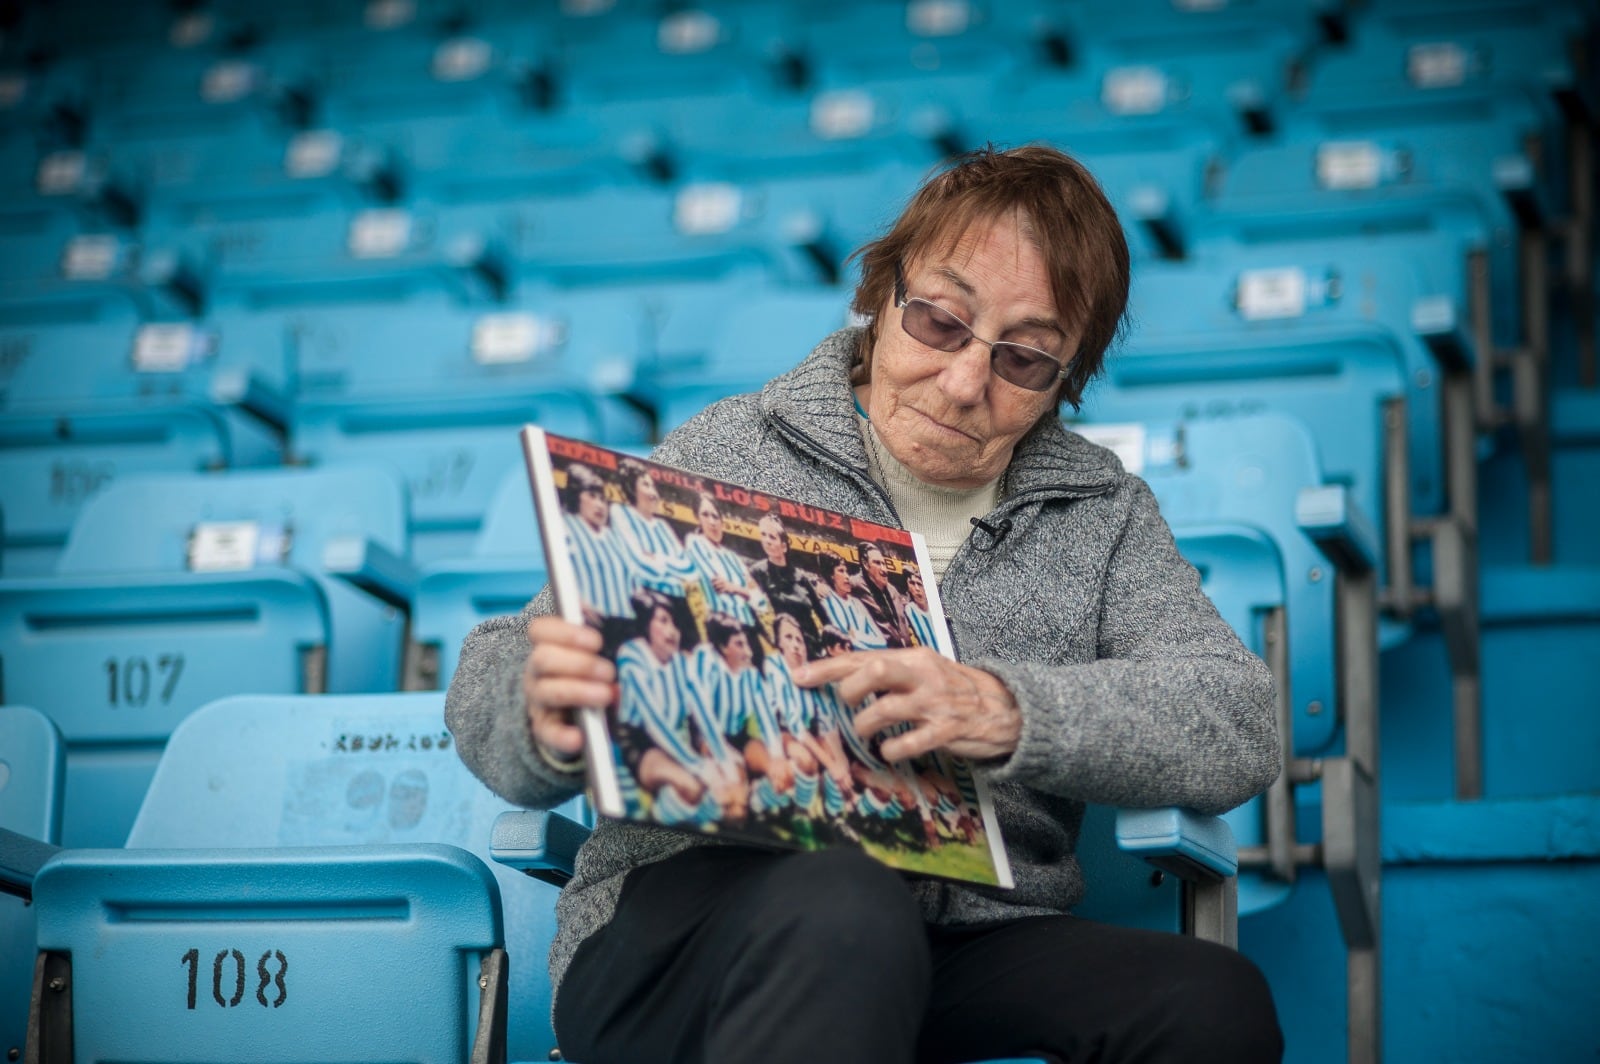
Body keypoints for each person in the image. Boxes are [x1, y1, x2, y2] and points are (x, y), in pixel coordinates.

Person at [447, 144, 1283, 1063]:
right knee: (847, 903)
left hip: (966, 938)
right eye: (939, 322)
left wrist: (1008, 710)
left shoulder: (1102, 512)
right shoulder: (732, 446)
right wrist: (539, 712)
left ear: (1066, 381)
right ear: (882, 298)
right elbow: (498, 660)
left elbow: (1238, 718)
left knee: (1212, 1001)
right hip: (695, 928)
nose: (964, 384)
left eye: (1024, 360)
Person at [612, 590, 747, 825]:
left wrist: (723, 759)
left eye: (674, 623)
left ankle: (712, 820)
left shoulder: (681, 662)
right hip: (639, 741)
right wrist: (698, 766)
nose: (672, 630)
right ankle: (662, 823)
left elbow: (703, 714)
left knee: (734, 771)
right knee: (690, 785)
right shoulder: (632, 655)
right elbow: (653, 721)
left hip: (678, 736)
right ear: (646, 625)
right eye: (663, 621)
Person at [749, 513, 826, 648]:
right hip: (786, 648)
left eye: (772, 537)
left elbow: (822, 614)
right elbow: (752, 612)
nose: (767, 540)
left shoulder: (801, 577)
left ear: (784, 546)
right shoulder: (757, 573)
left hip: (814, 645)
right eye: (763, 535)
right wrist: (769, 642)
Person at [818, 553, 890, 650]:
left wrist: (855, 635)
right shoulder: (827, 604)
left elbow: (882, 642)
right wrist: (866, 640)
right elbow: (845, 643)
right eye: (841, 571)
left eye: (846, 571)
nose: (847, 576)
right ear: (831, 576)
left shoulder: (857, 603)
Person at [852, 540, 913, 647]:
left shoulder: (892, 590)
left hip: (906, 651)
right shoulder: (855, 584)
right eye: (877, 563)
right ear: (865, 564)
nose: (884, 569)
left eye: (884, 563)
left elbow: (902, 621)